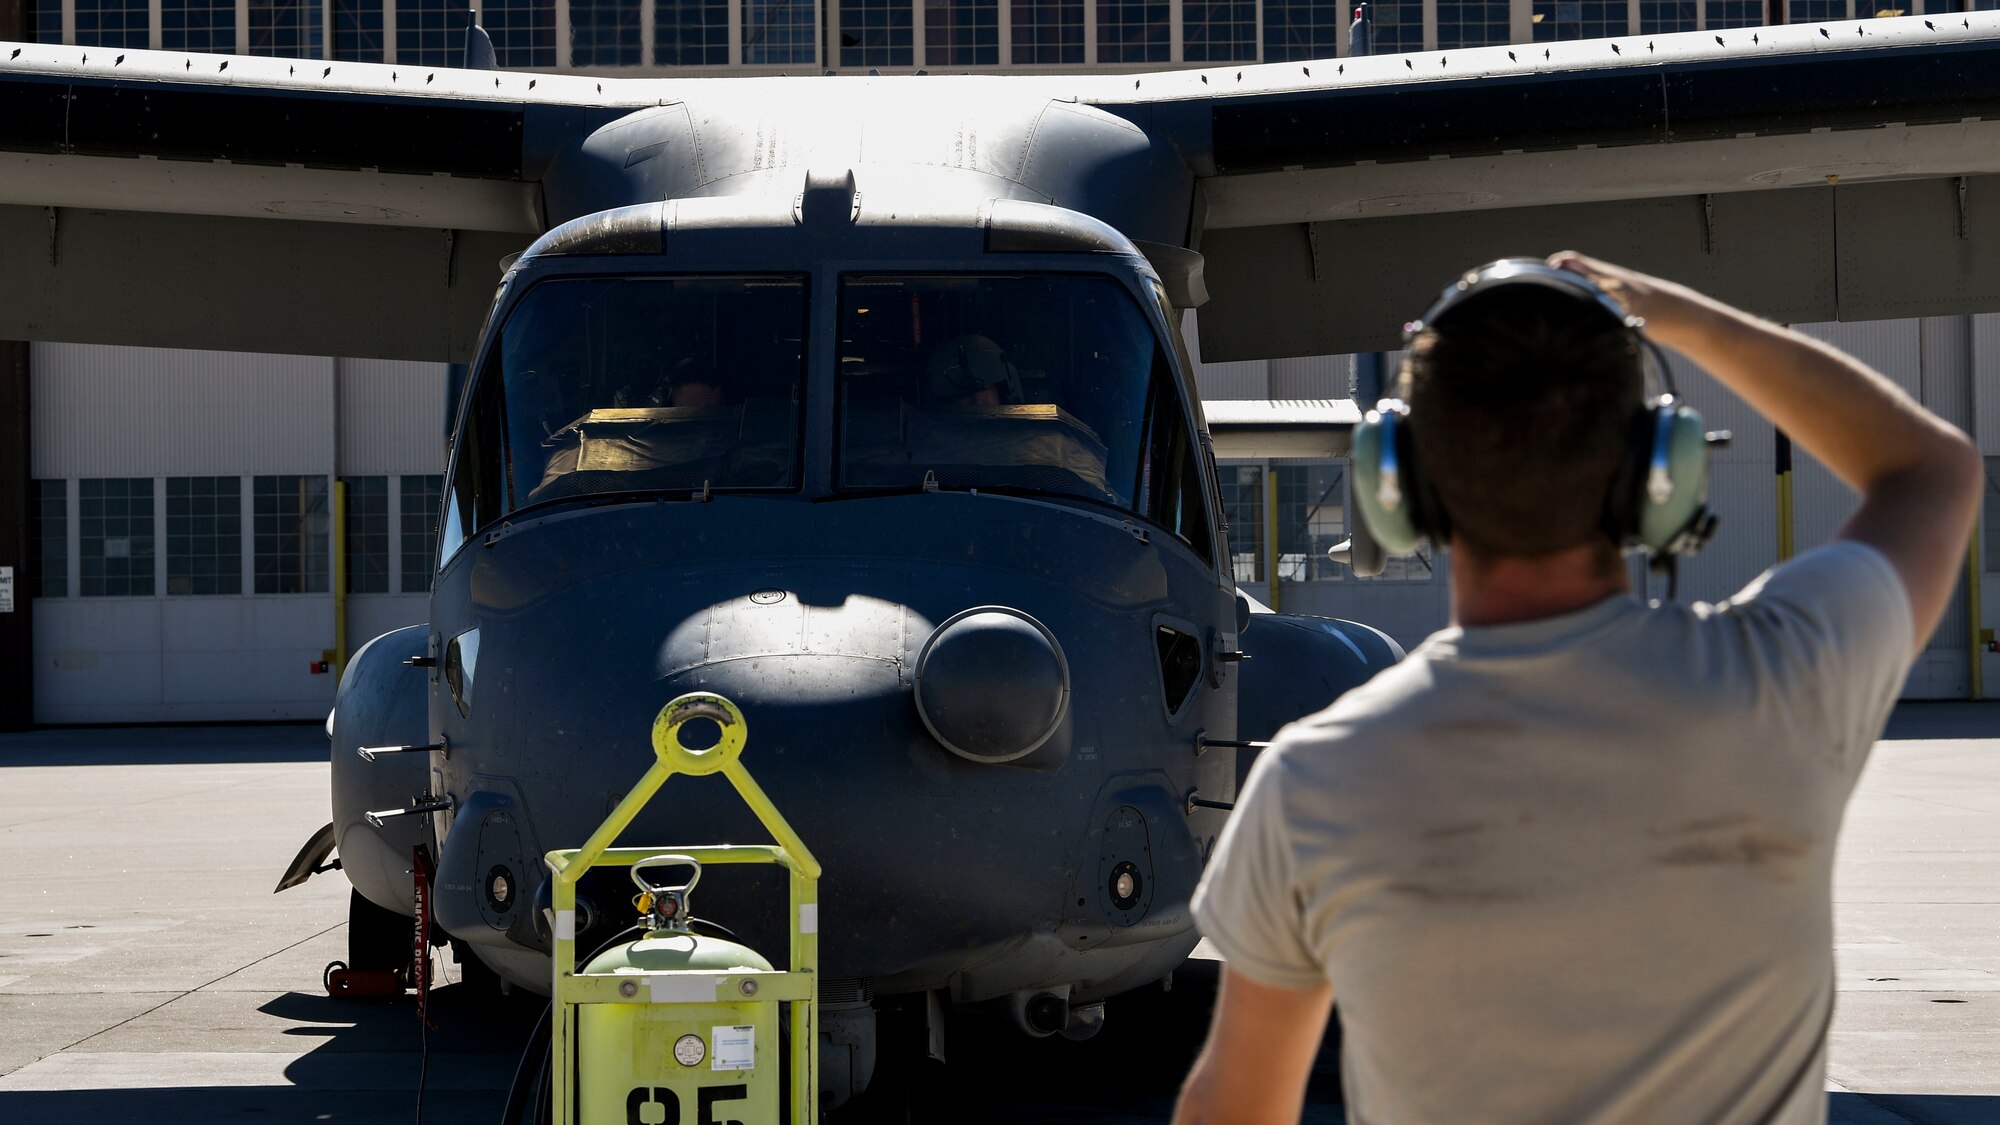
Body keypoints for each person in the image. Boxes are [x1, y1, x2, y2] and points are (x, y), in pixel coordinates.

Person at [1173, 253, 1982, 1125]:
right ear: (1654, 476)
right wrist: (1688, 319)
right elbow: (1931, 471)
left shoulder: (1316, 783)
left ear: (1396, 484)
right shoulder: (1784, 681)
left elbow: (1238, 1107)